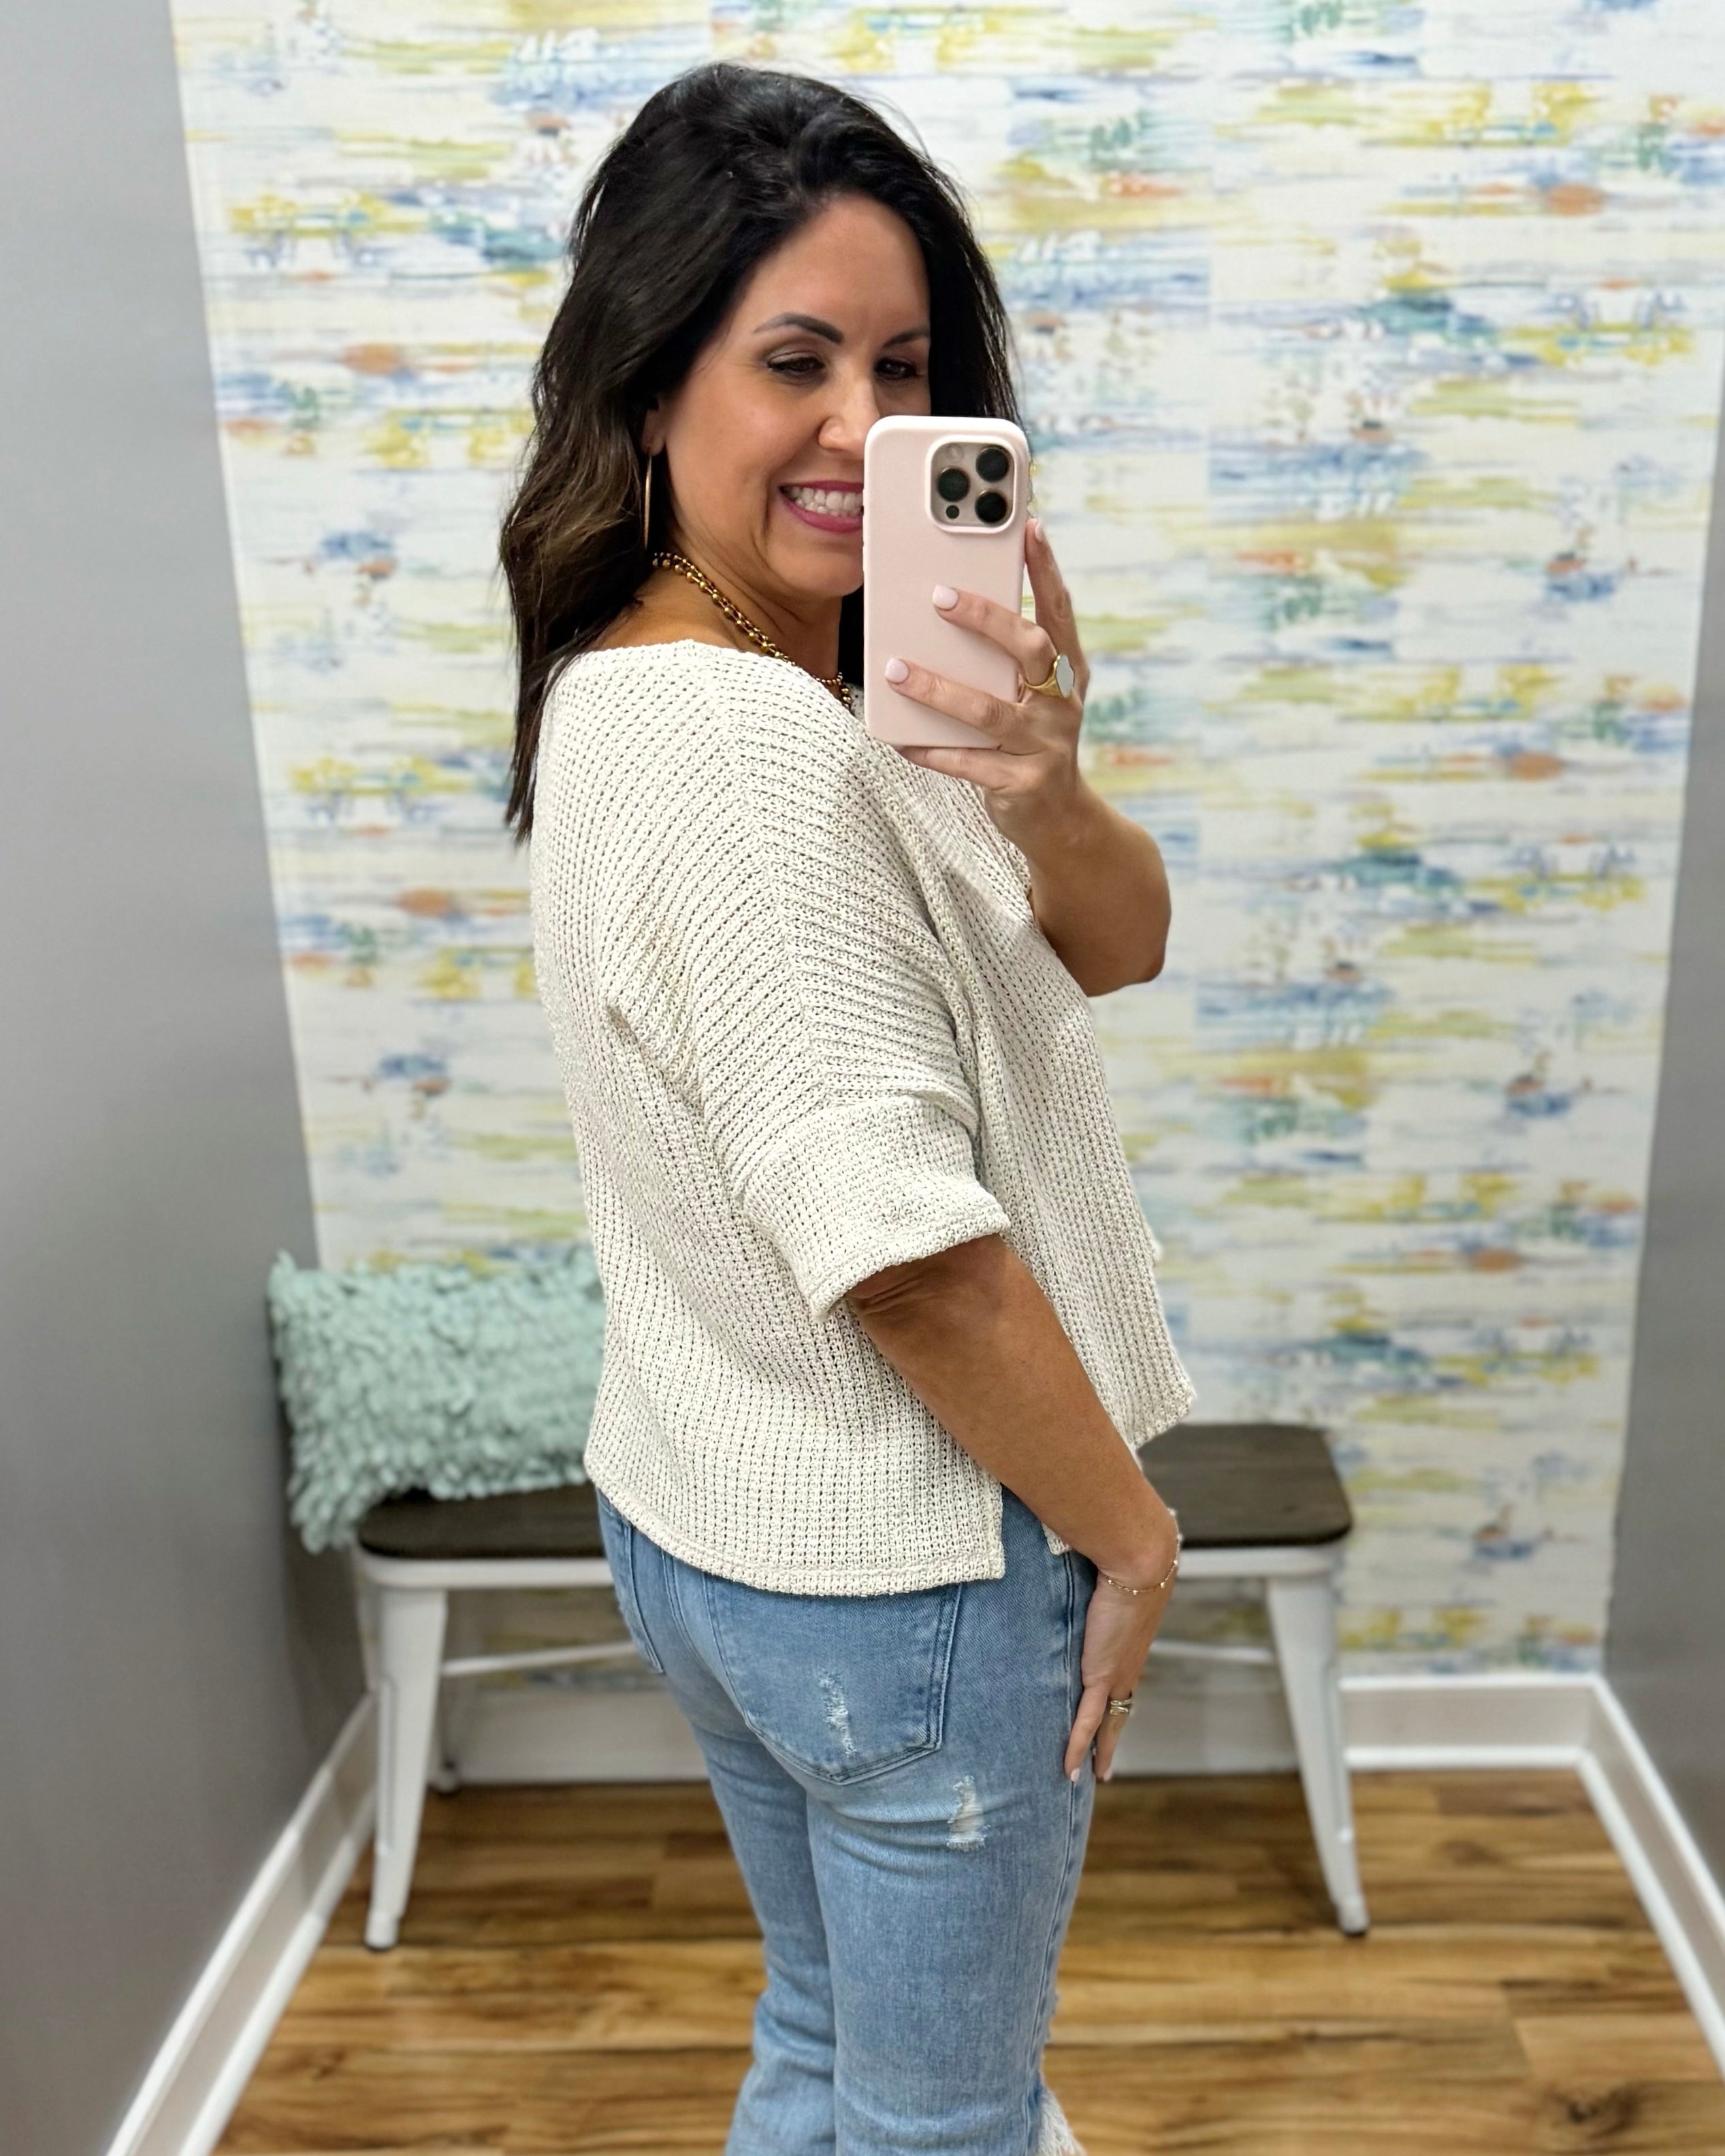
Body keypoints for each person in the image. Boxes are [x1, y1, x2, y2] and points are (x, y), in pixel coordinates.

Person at [504, 62, 1193, 2156]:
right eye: (792, 362)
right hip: (905, 1570)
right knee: (949, 2124)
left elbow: (1121, 941)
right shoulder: (749, 750)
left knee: (825, 2048)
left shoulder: (726, 683)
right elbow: (902, 1252)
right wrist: (1135, 1536)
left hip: (720, 1518)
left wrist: (1046, 784)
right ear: (651, 387)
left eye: (905, 367)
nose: (864, 428)